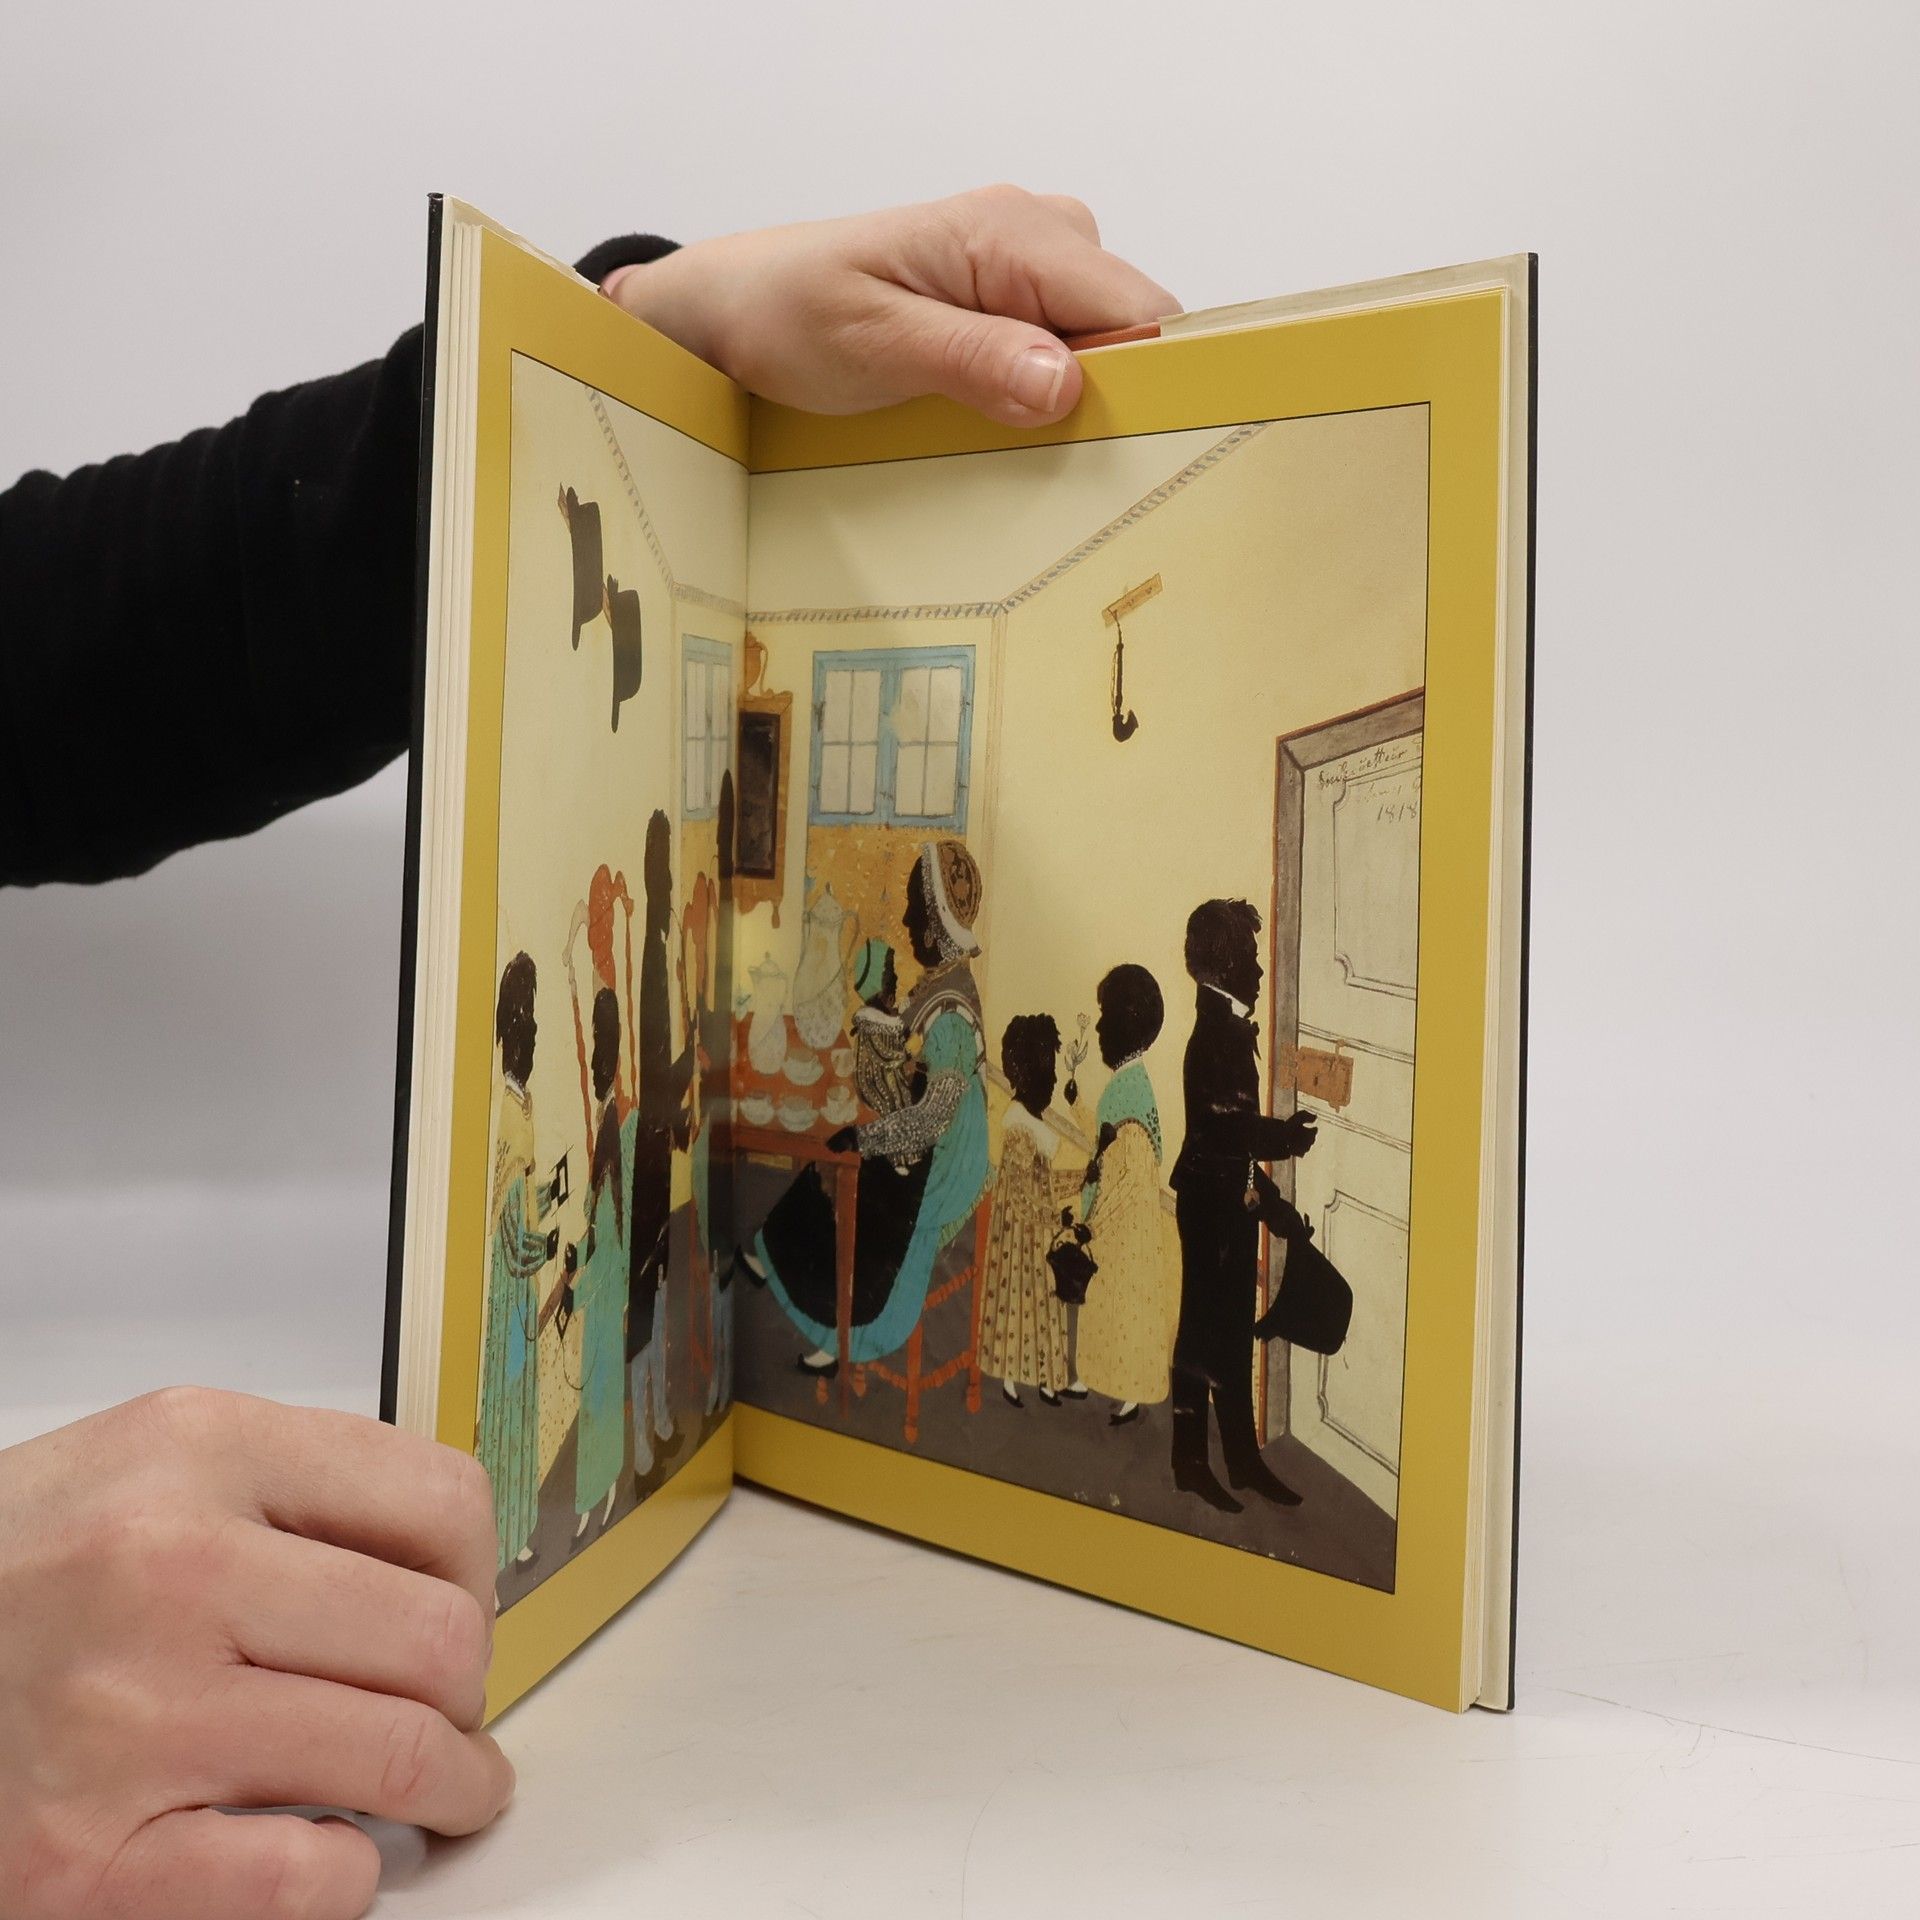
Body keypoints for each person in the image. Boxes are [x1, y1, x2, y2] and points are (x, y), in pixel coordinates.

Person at [0, 187, 1173, 1919]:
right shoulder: (890, 995)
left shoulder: (942, 1007)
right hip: (883, 1143)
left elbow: (65, 644)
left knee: (807, 1204)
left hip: (916, 1160)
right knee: (790, 1203)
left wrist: (620, 353)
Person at [744, 841, 991, 1373]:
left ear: (934, 928)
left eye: (914, 911)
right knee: (839, 1153)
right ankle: (772, 1252)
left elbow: (933, 1119)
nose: (906, 921)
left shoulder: (951, 1013)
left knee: (857, 1171)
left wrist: (870, 1138)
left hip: (948, 1161)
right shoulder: (944, 980)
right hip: (935, 1137)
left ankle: (843, 1335)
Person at [1168, 900, 1319, 1514]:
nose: (1259, 971)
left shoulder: (1227, 1030)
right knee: (1203, 1336)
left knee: (1227, 1335)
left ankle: (1240, 1460)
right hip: (1209, 1207)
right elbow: (1221, 1131)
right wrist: (1283, 1139)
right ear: (1226, 964)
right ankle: (1190, 1463)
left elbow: (1236, 1144)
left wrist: (1271, 1205)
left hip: (1227, 1199)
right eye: (1251, 959)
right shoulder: (1214, 1037)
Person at [478, 951, 559, 1570]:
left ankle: (518, 1531)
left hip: (523, 1287)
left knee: (523, 1404)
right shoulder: (506, 1112)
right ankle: (494, 1545)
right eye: (522, 1019)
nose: (529, 1031)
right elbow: (511, 1236)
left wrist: (553, 1193)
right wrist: (547, 1249)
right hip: (511, 1289)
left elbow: (524, 1198)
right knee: (506, 1405)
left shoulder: (523, 1101)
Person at [1075, 964, 1180, 1425]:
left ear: (1125, 1021)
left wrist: (1094, 1224)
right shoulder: (1124, 1083)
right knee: (1103, 1305)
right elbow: (1103, 1143)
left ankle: (1132, 1395)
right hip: (1113, 1224)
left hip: (1126, 1228)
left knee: (1125, 1313)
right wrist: (1076, 1103)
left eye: (1105, 1016)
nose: (1098, 1028)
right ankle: (1096, 1378)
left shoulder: (1134, 1089)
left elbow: (1133, 1176)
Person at [627, 810, 692, 1483]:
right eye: (663, 871)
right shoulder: (651, 951)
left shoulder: (664, 947)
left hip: (659, 1148)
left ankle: (661, 1421)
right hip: (646, 1155)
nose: (669, 885)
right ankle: (642, 1442)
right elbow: (654, 1069)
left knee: (663, 1281)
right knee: (646, 1291)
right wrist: (687, 1063)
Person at [976, 1014, 1083, 1407]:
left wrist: (1082, 1178)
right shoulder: (1021, 1128)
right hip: (1019, 1240)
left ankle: (1046, 1380)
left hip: (1035, 1235)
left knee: (1041, 1306)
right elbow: (1022, 1196)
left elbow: (1044, 1183)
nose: (1052, 1079)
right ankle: (1013, 1380)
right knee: (1020, 1308)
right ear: (1026, 1073)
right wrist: (1057, 1218)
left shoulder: (1031, 1124)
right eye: (1046, 1069)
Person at [573, 988, 632, 1538]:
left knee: (602, 1387)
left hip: (607, 1287)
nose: (595, 1056)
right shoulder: (606, 1113)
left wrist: (578, 1290)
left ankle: (603, 1487)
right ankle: (592, 1495)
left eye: (600, 1043)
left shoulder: (616, 1122)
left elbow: (610, 1237)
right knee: (597, 1388)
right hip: (601, 1286)